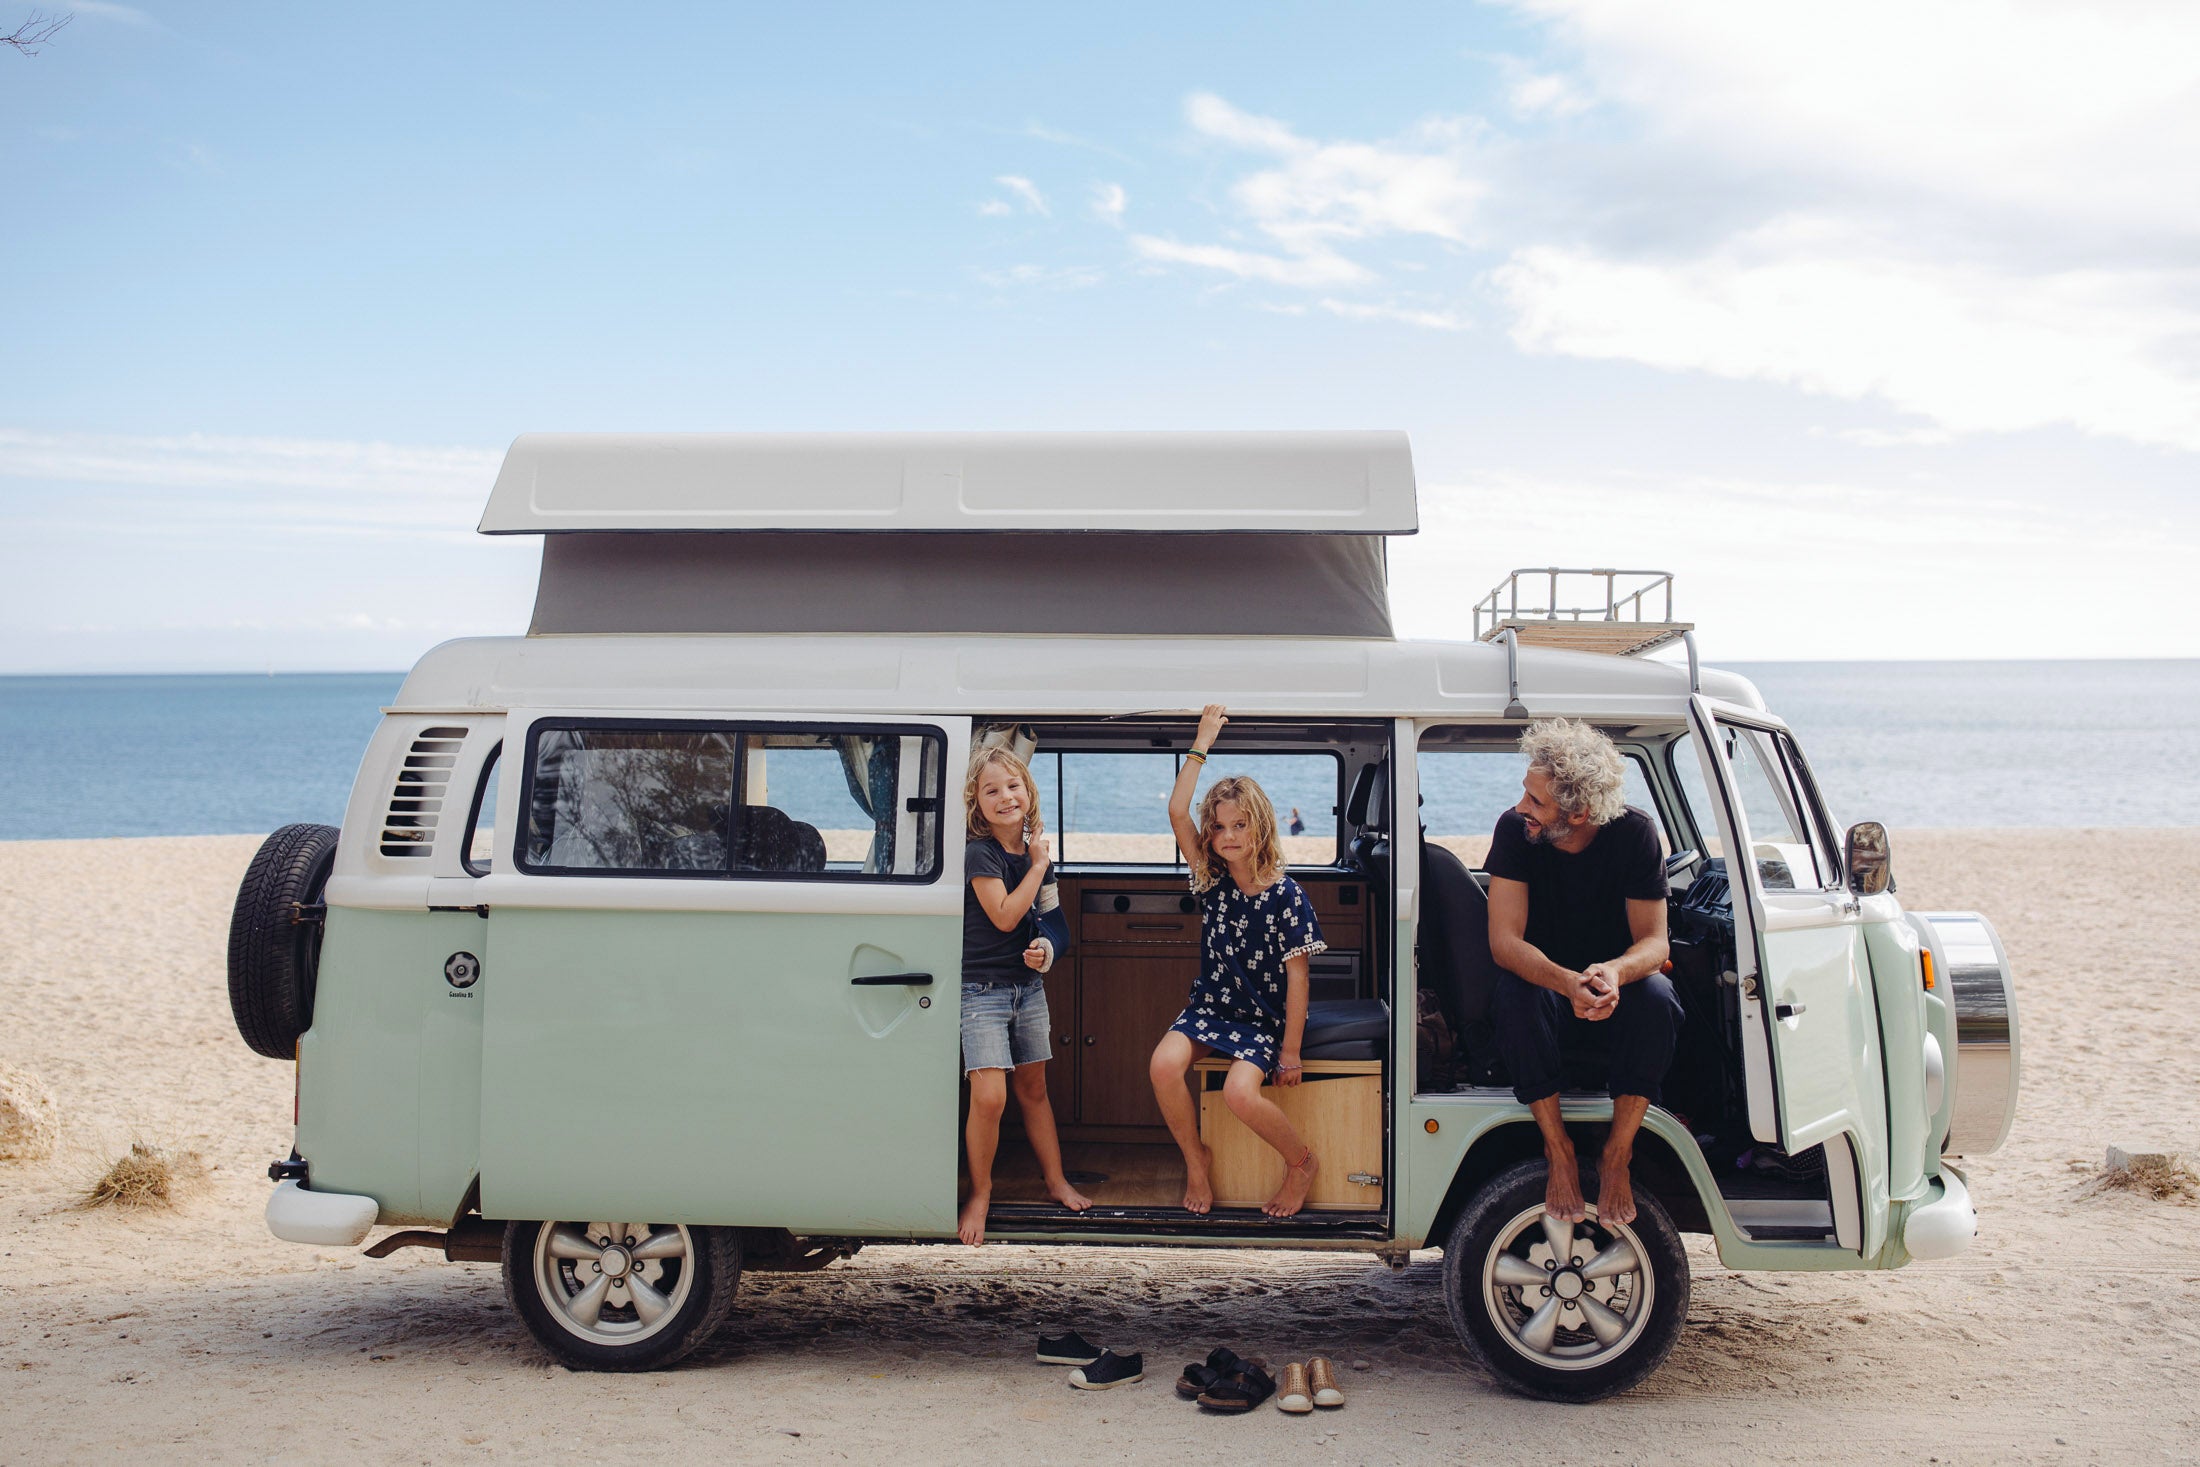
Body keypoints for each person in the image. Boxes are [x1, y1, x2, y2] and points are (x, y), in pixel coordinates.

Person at [1485, 718, 1679, 1227]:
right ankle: (1560, 1150)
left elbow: (1655, 944)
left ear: (1578, 813)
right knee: (1513, 993)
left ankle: (1618, 1153)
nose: (1521, 807)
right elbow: (1505, 944)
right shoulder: (1514, 831)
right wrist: (1568, 982)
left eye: (1536, 802)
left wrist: (1613, 974)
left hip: (1615, 991)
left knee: (1659, 996)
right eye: (1526, 795)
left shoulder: (1634, 833)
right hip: (1548, 987)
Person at [1147, 704, 1327, 1218]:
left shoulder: (1287, 895)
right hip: (1212, 1009)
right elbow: (1177, 811)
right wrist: (1203, 741)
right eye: (1220, 826)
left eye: (1240, 824)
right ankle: (1196, 1160)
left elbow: (1298, 978)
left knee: (1240, 1095)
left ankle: (1301, 1162)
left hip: (1262, 1022)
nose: (1229, 835)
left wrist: (1290, 1050)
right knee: (1163, 1065)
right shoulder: (1211, 879)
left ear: (1260, 826)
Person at [959, 745, 1091, 1245]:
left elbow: (1057, 927)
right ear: (976, 800)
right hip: (981, 990)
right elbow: (1004, 916)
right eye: (991, 790)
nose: (1005, 796)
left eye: (1013, 786)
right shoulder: (982, 853)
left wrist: (1046, 950)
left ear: (1027, 792)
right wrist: (1038, 865)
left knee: (1034, 1090)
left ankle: (1055, 1181)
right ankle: (981, 1192)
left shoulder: (1036, 857)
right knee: (989, 1096)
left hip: (1027, 989)